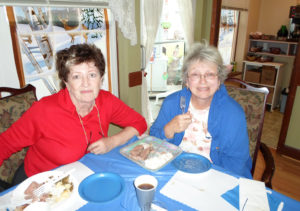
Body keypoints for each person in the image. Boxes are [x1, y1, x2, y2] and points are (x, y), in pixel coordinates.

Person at [0, 43, 147, 185]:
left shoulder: (106, 101)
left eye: (92, 75)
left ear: (101, 78)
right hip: (39, 184)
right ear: (66, 82)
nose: (86, 83)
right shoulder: (44, 110)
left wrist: (112, 142)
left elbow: (140, 123)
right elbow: (4, 144)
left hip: (81, 177)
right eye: (76, 76)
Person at [150, 42, 252, 178]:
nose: (203, 81)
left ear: (219, 79)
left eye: (210, 74)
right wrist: (169, 129)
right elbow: (153, 142)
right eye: (195, 75)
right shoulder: (171, 103)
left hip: (216, 176)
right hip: (174, 172)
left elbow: (237, 163)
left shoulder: (233, 114)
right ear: (187, 80)